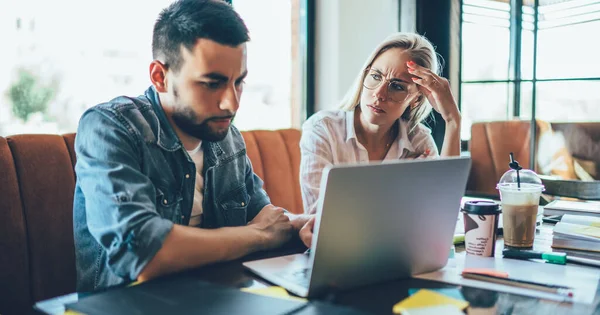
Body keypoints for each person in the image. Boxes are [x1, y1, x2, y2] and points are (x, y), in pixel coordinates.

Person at [73, 0, 313, 292]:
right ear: (160, 77)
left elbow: (264, 218)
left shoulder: (226, 136)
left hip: (217, 297)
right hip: (130, 305)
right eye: (212, 84)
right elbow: (143, 253)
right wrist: (258, 236)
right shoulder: (110, 128)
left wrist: (302, 224)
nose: (232, 103)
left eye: (238, 82)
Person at [299, 32, 461, 215]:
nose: (379, 94)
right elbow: (316, 218)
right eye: (376, 76)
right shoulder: (323, 129)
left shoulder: (418, 140)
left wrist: (453, 121)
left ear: (415, 100)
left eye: (397, 86)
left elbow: (443, 212)